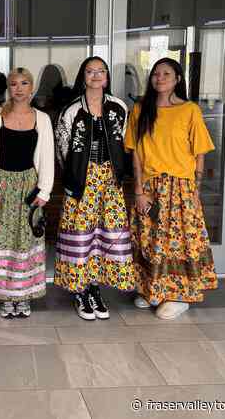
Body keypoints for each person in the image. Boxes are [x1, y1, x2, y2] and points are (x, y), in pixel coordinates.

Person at [124, 57, 217, 320]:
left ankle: (179, 295)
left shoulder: (189, 110)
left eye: (166, 74)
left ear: (177, 79)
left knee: (180, 242)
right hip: (151, 186)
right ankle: (150, 289)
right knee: (149, 239)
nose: (160, 78)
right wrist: (139, 191)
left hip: (180, 187)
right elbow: (136, 154)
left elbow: (199, 153)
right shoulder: (141, 110)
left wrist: (195, 190)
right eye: (155, 74)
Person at [53, 57, 136, 321]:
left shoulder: (119, 107)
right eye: (90, 71)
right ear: (82, 76)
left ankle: (95, 288)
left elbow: (126, 144)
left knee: (105, 235)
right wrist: (76, 176)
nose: (96, 75)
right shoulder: (71, 110)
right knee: (81, 235)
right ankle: (80, 290)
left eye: (101, 71)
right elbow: (62, 149)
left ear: (108, 76)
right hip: (82, 180)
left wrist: (119, 173)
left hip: (111, 180)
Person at [0, 67, 55, 319]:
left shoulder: (41, 118)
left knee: (26, 241)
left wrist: (44, 190)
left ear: (31, 88)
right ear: (8, 89)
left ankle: (23, 296)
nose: (19, 88)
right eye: (14, 84)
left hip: (29, 186)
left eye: (24, 83)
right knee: (2, 239)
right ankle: (4, 295)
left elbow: (46, 157)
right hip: (2, 186)